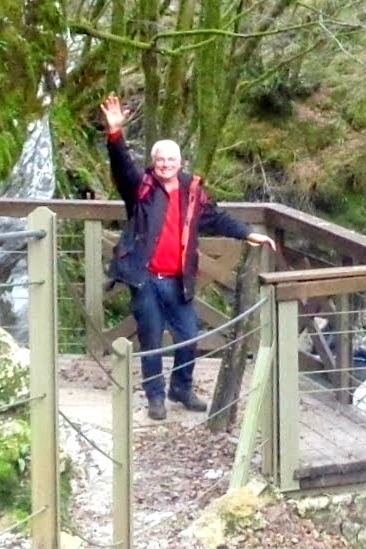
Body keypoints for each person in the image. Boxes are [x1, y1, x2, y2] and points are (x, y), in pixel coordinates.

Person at [99, 93, 275, 420]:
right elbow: (122, 167)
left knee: (189, 335)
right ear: (153, 162)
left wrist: (247, 233)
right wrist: (115, 134)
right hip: (146, 277)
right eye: (160, 160)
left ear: (180, 162)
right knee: (151, 337)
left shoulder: (192, 192)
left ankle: (181, 387)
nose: (166, 165)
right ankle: (155, 396)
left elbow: (216, 217)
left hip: (178, 278)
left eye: (171, 160)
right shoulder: (141, 188)